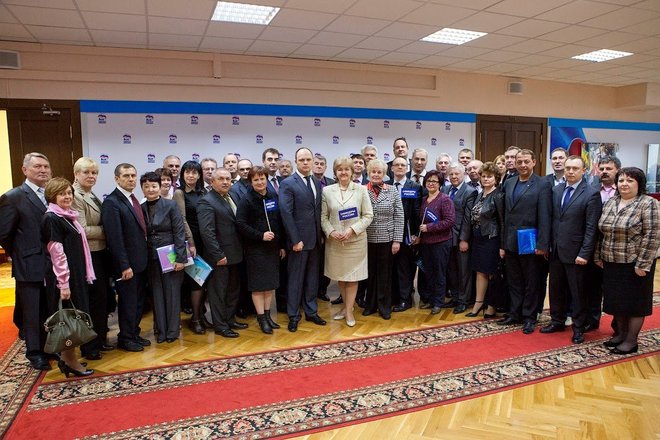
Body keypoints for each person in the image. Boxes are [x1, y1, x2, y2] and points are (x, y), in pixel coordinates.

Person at [594, 167, 659, 355]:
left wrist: (643, 263)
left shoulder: (648, 203)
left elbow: (652, 235)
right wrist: (598, 255)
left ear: (639, 184)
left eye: (630, 180)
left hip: (635, 263)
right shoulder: (611, 202)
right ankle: (621, 334)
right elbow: (601, 233)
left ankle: (631, 340)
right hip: (611, 261)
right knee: (617, 301)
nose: (624, 184)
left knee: (635, 304)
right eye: (621, 180)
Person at [541, 156, 601, 344]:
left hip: (577, 253)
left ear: (583, 170)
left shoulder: (591, 193)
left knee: (578, 292)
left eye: (575, 168)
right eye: (568, 168)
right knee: (556, 289)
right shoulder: (556, 190)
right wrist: (547, 245)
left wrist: (585, 253)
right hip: (556, 251)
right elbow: (551, 220)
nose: (570, 171)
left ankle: (579, 328)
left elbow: (591, 228)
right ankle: (557, 321)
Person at [0, 152, 52, 370]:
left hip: (52, 264)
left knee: (48, 309)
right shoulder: (13, 197)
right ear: (24, 170)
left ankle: (48, 347)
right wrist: (20, 253)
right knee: (31, 312)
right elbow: (4, 234)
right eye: (37, 166)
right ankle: (35, 352)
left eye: (46, 166)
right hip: (28, 264)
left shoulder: (52, 194)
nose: (43, 170)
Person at [41, 177, 95, 377]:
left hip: (74, 275)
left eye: (69, 193)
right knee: (67, 320)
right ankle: (70, 361)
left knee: (72, 318)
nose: (67, 197)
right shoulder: (51, 218)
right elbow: (57, 253)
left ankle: (67, 359)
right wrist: (63, 283)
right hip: (63, 279)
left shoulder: (67, 216)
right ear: (52, 196)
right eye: (62, 193)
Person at [498, 149, 551, 335]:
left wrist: (542, 244)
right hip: (511, 241)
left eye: (526, 161)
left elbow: (545, 216)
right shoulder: (509, 182)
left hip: (531, 242)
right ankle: (515, 313)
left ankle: (529, 317)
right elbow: (505, 216)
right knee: (514, 280)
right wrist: (503, 243)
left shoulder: (543, 184)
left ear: (534, 162)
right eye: (519, 161)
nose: (522, 165)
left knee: (531, 282)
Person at [101, 163, 149, 352]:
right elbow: (115, 238)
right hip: (127, 265)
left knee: (138, 302)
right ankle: (126, 338)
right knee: (128, 303)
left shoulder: (132, 198)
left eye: (133, 175)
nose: (131, 179)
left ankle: (134, 333)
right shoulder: (112, 202)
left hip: (140, 262)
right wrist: (124, 265)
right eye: (126, 176)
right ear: (116, 178)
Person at [321, 156, 373, 327]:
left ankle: (349, 311)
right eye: (340, 169)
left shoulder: (361, 190)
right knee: (341, 277)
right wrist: (331, 231)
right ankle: (345, 307)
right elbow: (323, 217)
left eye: (346, 169)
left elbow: (368, 215)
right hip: (335, 242)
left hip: (355, 241)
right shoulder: (327, 191)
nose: (343, 172)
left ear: (352, 172)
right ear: (335, 172)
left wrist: (352, 230)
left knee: (352, 277)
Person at [279, 147, 327, 332]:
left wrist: (321, 235)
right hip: (298, 242)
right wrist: (295, 240)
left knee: (312, 278)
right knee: (295, 280)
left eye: (308, 159)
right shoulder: (288, 183)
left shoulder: (315, 181)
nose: (306, 162)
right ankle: (293, 315)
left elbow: (317, 210)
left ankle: (311, 311)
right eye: (302, 160)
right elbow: (286, 213)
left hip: (315, 240)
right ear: (296, 162)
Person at [197, 168, 247, 338]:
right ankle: (220, 325)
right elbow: (207, 232)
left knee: (233, 290)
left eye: (228, 179)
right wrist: (218, 255)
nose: (226, 182)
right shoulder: (206, 201)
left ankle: (230, 319)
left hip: (235, 253)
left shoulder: (231, 196)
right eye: (221, 179)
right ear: (212, 182)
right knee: (218, 292)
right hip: (219, 256)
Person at [235, 166, 286, 334]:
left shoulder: (273, 196)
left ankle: (268, 316)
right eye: (255, 179)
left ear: (266, 179)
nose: (259, 182)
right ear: (250, 182)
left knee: (270, 285)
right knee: (258, 286)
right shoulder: (246, 200)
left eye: (262, 178)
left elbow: (278, 221)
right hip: (255, 249)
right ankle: (261, 319)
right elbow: (240, 224)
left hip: (272, 249)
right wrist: (260, 236)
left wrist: (281, 245)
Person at [72, 157, 113, 359]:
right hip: (88, 256)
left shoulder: (90, 193)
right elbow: (82, 230)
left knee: (101, 299)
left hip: (100, 252)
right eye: (86, 172)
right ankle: (90, 347)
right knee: (90, 301)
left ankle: (100, 339)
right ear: (76, 174)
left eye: (94, 172)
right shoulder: (75, 195)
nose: (91, 176)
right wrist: (110, 231)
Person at [141, 172, 187, 344]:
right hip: (151, 257)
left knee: (172, 292)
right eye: (146, 186)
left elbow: (179, 231)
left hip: (170, 255)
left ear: (160, 187)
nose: (150, 189)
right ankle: (161, 330)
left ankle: (172, 331)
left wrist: (181, 258)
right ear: (142, 189)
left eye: (154, 186)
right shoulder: (140, 207)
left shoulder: (171, 205)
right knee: (156, 294)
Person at [459, 162, 503, 318]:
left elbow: (502, 221)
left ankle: (491, 305)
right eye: (483, 176)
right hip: (478, 239)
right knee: (480, 272)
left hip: (492, 239)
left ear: (496, 178)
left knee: (491, 273)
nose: (486, 179)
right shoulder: (479, 194)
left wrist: (502, 245)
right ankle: (478, 303)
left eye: (489, 176)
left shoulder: (498, 195)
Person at [364, 159, 404, 320]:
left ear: (384, 174)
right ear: (368, 173)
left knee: (385, 275)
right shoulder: (362, 190)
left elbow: (399, 216)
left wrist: (397, 240)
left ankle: (384, 307)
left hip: (387, 239)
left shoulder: (392, 190)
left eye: (379, 172)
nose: (376, 174)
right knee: (369, 274)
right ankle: (370, 305)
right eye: (373, 172)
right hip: (366, 239)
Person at [173, 160, 207, 334]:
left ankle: (201, 315)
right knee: (196, 282)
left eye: (194, 172)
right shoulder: (179, 193)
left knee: (205, 280)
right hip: (192, 243)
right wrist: (191, 243)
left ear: (199, 175)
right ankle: (195, 319)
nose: (191, 175)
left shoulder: (204, 192)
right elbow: (181, 220)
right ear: (183, 174)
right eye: (187, 172)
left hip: (206, 241)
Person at [415, 170, 455, 314]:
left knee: (439, 273)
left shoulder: (445, 199)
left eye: (434, 181)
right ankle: (431, 300)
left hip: (441, 243)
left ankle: (438, 302)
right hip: (426, 243)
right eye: (428, 181)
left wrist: (429, 227)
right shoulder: (424, 199)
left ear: (440, 184)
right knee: (429, 273)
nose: (431, 183)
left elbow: (449, 221)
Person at [443, 163, 477, 313]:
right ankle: (455, 297)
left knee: (463, 271)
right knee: (451, 270)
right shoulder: (445, 189)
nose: (454, 176)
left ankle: (464, 300)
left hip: (461, 237)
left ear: (464, 174)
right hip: (445, 237)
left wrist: (464, 239)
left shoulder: (470, 192)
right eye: (451, 174)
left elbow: (468, 218)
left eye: (457, 174)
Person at [391, 156, 422, 312]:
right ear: (392, 168)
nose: (400, 167)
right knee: (391, 267)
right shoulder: (386, 185)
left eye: (403, 165)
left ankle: (405, 299)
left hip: (407, 234)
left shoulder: (414, 186)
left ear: (407, 168)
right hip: (388, 233)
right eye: (396, 165)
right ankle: (394, 297)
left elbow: (417, 212)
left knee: (404, 268)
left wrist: (416, 234)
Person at [312, 155, 335, 302]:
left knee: (327, 261)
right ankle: (311, 290)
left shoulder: (332, 183)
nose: (319, 166)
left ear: (326, 167)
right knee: (314, 262)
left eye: (322, 164)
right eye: (316, 163)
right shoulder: (308, 182)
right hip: (312, 228)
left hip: (330, 228)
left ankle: (322, 289)